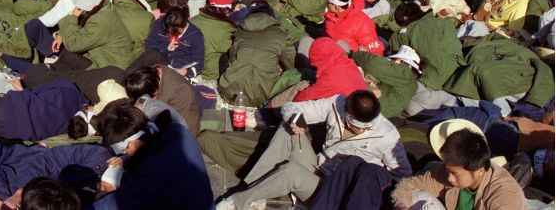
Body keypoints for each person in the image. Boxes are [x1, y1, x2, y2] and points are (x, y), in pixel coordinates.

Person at [216, 90, 411, 209]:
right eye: (352, 123)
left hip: (332, 190)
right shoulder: (338, 103)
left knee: (290, 172)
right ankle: (251, 187)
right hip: (318, 164)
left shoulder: (388, 136)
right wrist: (297, 120)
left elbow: (403, 174)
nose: (354, 129)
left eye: (361, 128)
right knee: (287, 130)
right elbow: (292, 108)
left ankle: (235, 203)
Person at [392, 122, 524, 210]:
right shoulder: (448, 172)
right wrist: (402, 206)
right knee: (416, 197)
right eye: (449, 170)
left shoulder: (504, 193)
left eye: (455, 174)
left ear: (478, 170)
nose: (449, 178)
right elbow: (407, 186)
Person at [144, 7, 205, 79]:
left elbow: (199, 62)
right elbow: (149, 46)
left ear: (185, 24)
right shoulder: (159, 24)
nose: (173, 35)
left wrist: (187, 72)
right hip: (159, 64)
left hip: (180, 69)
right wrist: (166, 48)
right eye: (169, 32)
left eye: (177, 33)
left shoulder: (195, 35)